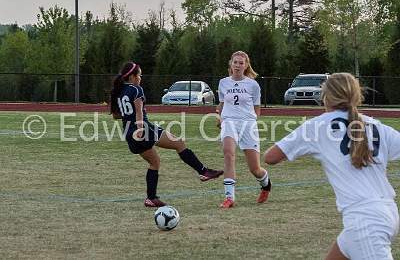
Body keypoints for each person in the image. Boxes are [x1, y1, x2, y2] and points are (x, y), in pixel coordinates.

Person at [264, 73, 400, 259]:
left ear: (326, 96)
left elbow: (270, 157)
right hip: (386, 212)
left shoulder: (317, 126)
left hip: (364, 219)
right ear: (356, 95)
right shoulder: (375, 125)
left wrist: (311, 147)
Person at [110, 61, 223, 208]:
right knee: (178, 143)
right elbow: (138, 112)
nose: (140, 78)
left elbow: (116, 116)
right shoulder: (136, 89)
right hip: (143, 129)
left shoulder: (118, 91)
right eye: (139, 75)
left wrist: (131, 120)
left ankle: (151, 198)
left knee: (154, 162)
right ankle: (203, 171)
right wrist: (139, 129)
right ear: (132, 76)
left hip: (128, 132)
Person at [216, 51, 271, 208]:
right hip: (229, 122)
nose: (238, 65)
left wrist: (248, 122)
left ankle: (266, 184)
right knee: (228, 152)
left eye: (241, 63)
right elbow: (221, 104)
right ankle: (229, 197)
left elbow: (257, 110)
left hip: (248, 124)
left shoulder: (253, 85)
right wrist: (219, 116)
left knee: (255, 169)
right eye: (235, 62)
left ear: (246, 65)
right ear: (231, 64)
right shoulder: (223, 83)